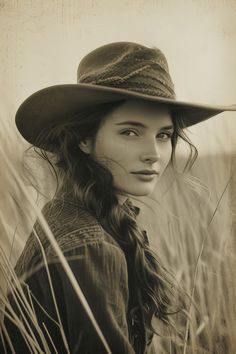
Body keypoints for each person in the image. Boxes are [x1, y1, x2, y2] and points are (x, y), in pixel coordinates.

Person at [1, 41, 236, 354]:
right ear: (84, 139)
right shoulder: (92, 244)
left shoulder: (68, 211)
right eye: (130, 132)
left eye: (163, 135)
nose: (153, 154)